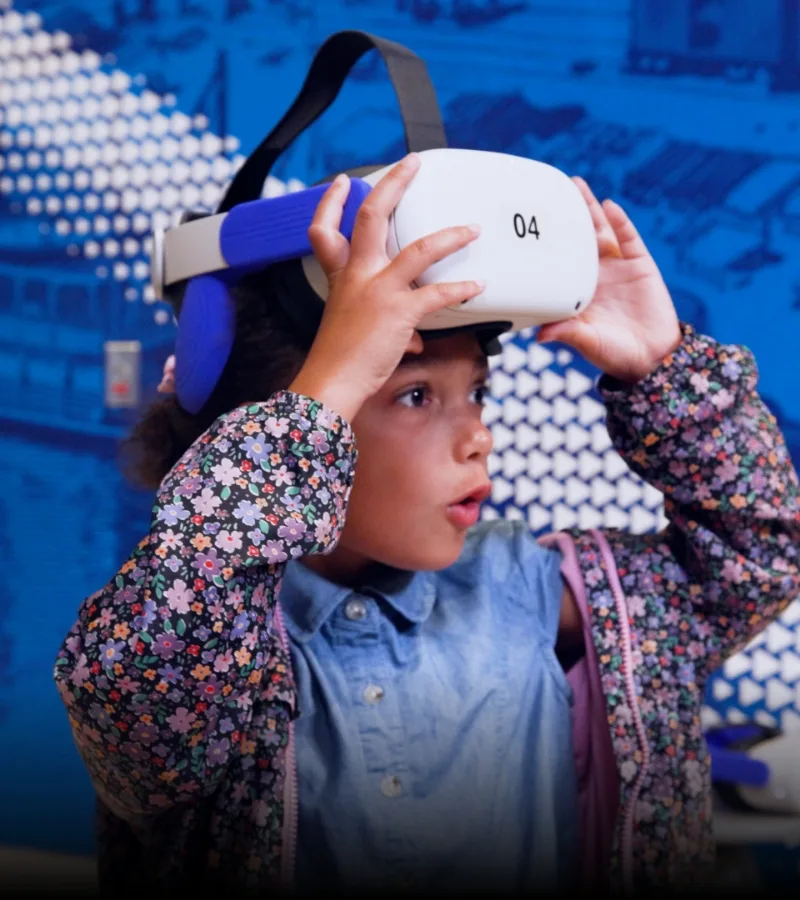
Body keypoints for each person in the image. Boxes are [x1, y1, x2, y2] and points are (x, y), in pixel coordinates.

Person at [54, 153, 800, 896]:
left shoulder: (545, 598)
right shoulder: (201, 646)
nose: (479, 434)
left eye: (476, 390)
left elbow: (757, 553)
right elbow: (138, 713)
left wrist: (664, 369)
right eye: (413, 394)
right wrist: (328, 388)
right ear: (295, 416)